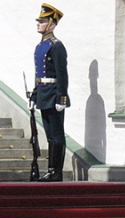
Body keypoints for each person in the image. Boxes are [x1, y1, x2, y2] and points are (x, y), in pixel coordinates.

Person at [30, 3, 69, 182]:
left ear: (52, 24)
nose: (38, 24)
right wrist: (34, 94)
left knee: (56, 133)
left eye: (42, 21)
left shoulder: (56, 46)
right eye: (39, 21)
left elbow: (62, 74)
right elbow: (39, 73)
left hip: (54, 95)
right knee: (49, 134)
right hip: (44, 95)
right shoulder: (40, 46)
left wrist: (61, 97)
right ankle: (51, 170)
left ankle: (55, 171)